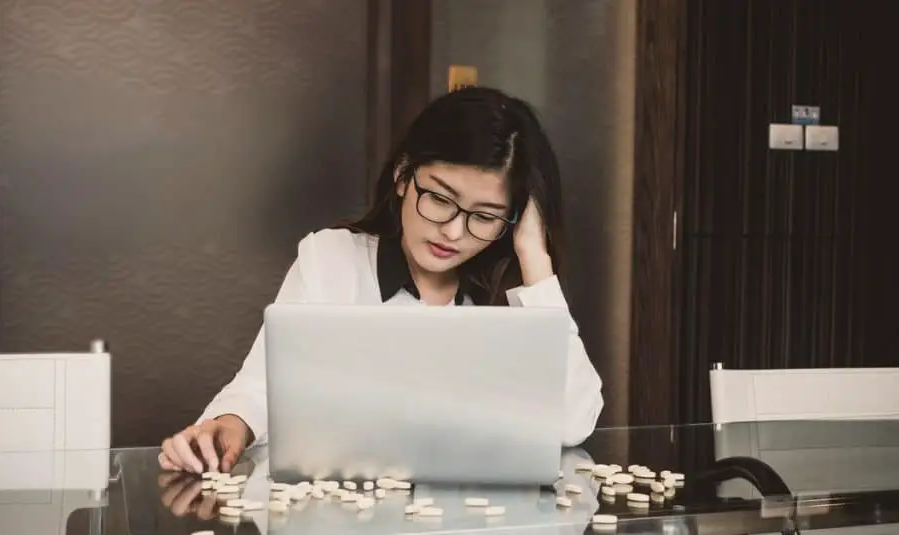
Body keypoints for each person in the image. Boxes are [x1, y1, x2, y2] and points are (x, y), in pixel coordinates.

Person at [159, 86, 604, 474]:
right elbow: (264, 387)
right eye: (440, 198)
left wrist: (534, 258)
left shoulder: (515, 294)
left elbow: (572, 421)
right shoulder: (333, 259)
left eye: (484, 217)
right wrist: (230, 424)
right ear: (402, 176)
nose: (452, 231)